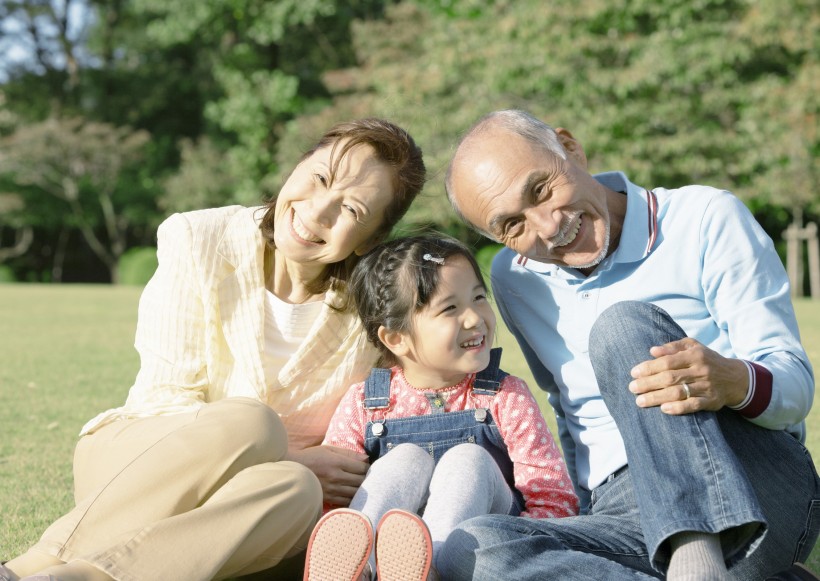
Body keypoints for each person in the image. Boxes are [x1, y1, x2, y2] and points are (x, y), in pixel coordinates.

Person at [0, 118, 426, 581]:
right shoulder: (198, 237)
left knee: (299, 489)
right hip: (136, 468)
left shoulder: (373, 309)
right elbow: (166, 398)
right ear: (298, 164)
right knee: (253, 423)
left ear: (373, 239)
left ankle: (76, 578)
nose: (318, 210)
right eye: (319, 178)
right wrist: (279, 453)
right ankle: (30, 566)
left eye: (352, 211)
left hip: (247, 504)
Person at [439, 109, 820, 580]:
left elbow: (795, 384)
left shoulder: (704, 216)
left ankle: (695, 553)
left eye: (540, 190)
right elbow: (567, 406)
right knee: (471, 549)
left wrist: (730, 380)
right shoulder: (513, 279)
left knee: (622, 330)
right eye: (512, 226)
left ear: (571, 148)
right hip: (623, 510)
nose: (546, 226)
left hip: (749, 482)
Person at [301, 236, 578, 581]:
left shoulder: (504, 395)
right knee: (404, 459)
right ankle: (358, 568)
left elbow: (552, 498)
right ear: (395, 338)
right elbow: (336, 499)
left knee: (469, 459)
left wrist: (513, 548)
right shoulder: (366, 402)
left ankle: (427, 569)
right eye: (450, 308)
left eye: (479, 297)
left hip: (474, 548)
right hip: (382, 553)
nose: (475, 318)